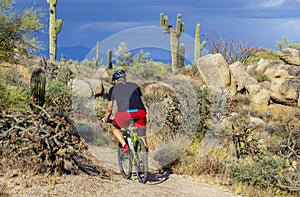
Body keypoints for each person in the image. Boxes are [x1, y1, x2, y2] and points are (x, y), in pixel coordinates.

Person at [103, 69, 148, 155]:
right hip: (140, 112)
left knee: (115, 128)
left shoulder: (113, 89)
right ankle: (144, 159)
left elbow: (109, 109)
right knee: (142, 137)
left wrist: (105, 119)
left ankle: (124, 145)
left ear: (116, 80)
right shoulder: (135, 85)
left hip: (125, 114)